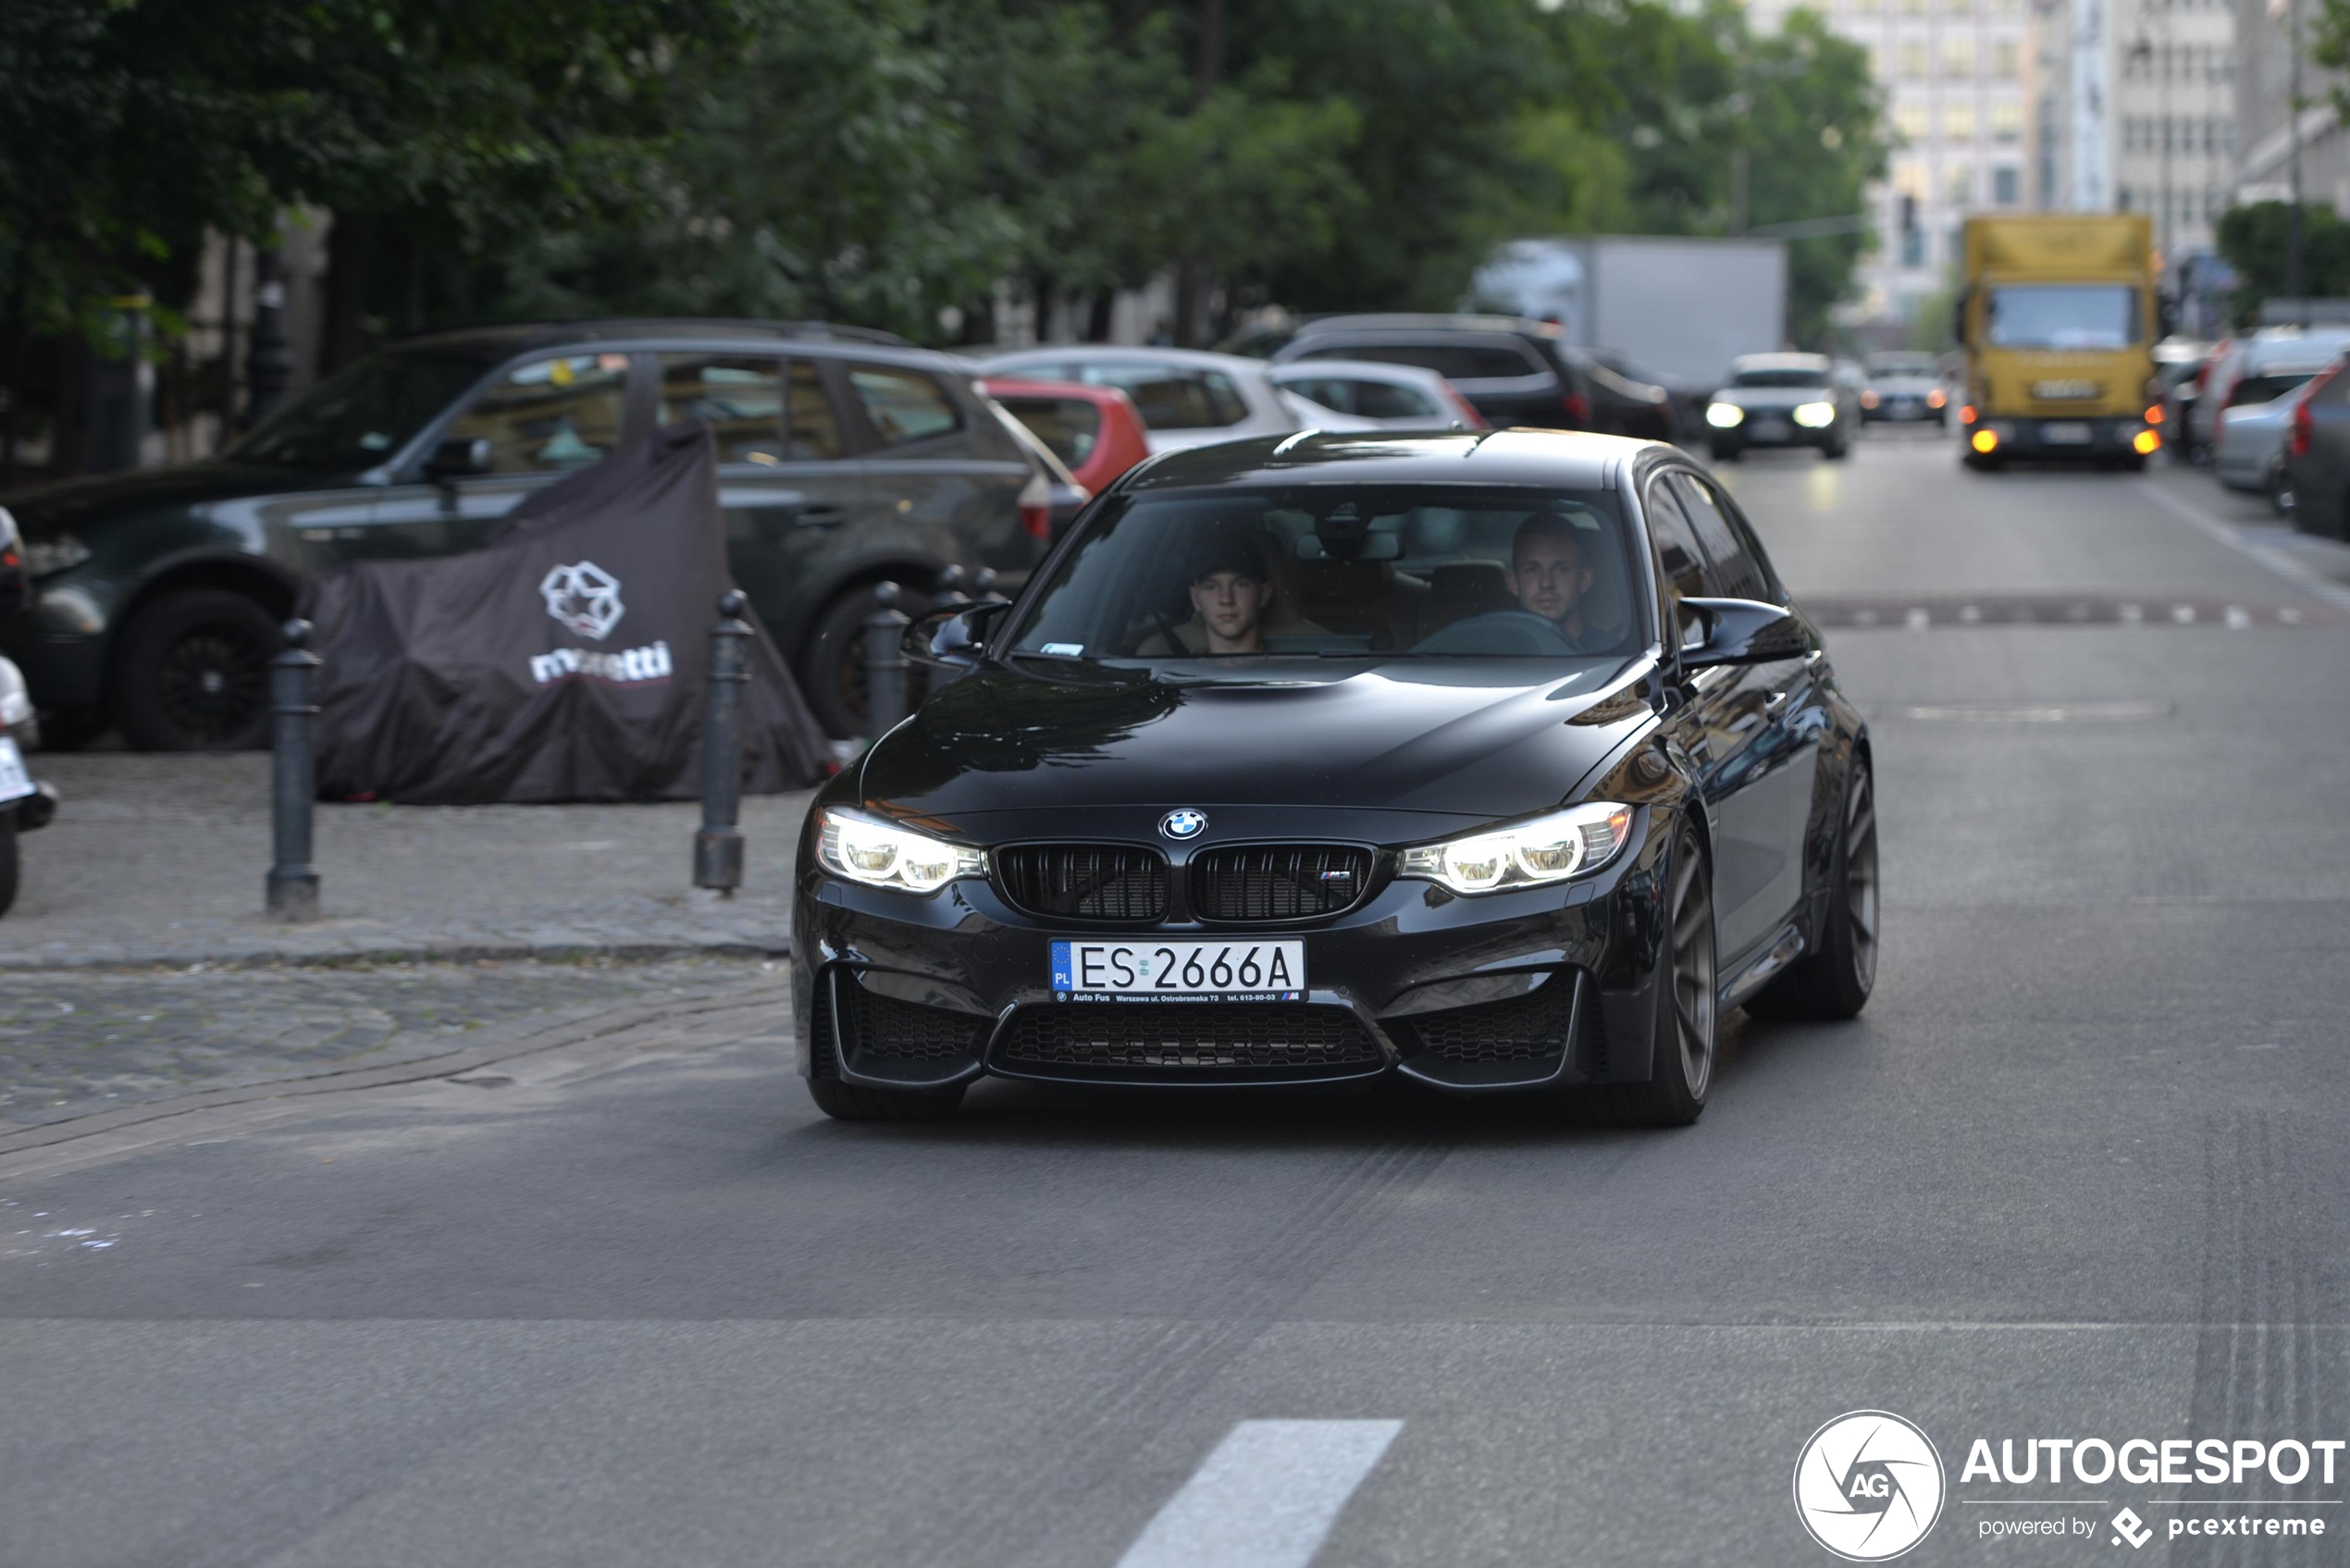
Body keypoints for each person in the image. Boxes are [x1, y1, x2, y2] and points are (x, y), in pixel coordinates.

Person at [1505, 515, 1602, 648]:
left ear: (1585, 580)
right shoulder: (1492, 652)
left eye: (1562, 570)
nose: (1546, 583)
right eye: (1532, 570)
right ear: (1514, 583)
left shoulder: (1614, 654)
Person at [1186, 535, 1274, 654]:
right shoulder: (1180, 671)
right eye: (1211, 587)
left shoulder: (1290, 672)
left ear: (1264, 594)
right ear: (1195, 598)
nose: (1226, 599)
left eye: (1241, 585)